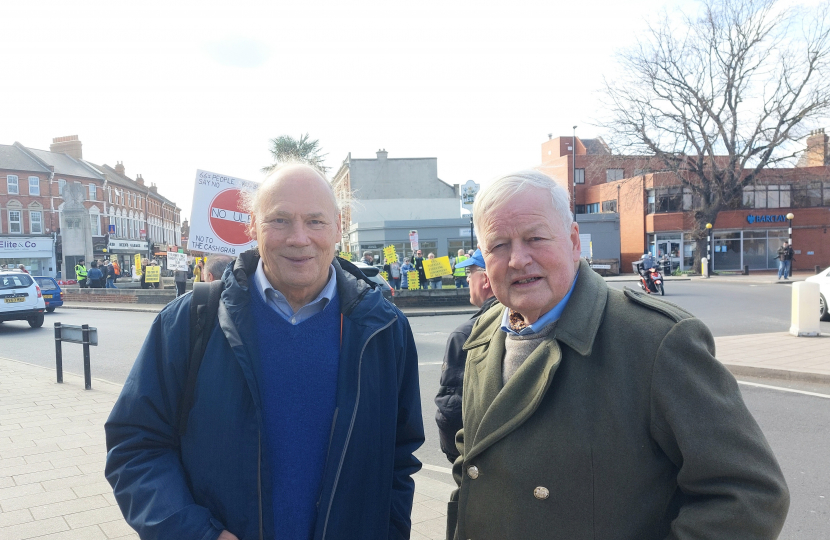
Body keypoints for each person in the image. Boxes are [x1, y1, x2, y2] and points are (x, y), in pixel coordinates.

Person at [446, 170, 789, 540]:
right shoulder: (484, 334)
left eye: (535, 238)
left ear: (573, 242)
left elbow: (750, 496)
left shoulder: (655, 340)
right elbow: (474, 463)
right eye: (499, 245)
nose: (517, 259)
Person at [105, 163, 424, 540]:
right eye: (280, 220)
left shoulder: (385, 329)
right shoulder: (190, 321)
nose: (299, 238)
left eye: (315, 221)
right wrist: (197, 534)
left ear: (338, 227)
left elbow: (398, 461)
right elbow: (135, 447)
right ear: (252, 226)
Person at [435, 248, 497, 463]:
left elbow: (451, 411)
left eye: (470, 273)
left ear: (485, 279)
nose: (468, 279)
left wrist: (457, 458)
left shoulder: (466, 334)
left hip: (478, 459)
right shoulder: (526, 319)